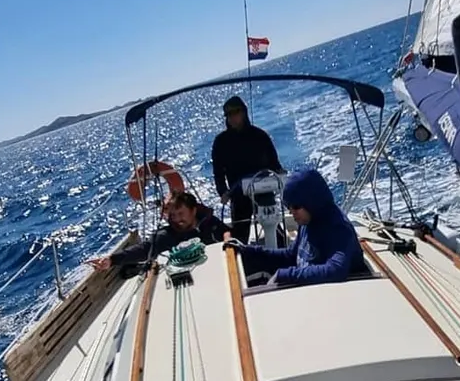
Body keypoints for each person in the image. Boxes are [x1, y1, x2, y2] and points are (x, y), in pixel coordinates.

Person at [226, 166, 365, 286]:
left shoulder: (339, 229)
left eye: (296, 207)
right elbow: (291, 256)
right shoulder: (307, 221)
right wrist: (249, 251)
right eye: (288, 207)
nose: (291, 212)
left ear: (312, 203)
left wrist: (285, 275)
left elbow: (336, 270)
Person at [89, 191, 228, 275]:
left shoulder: (210, 222)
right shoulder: (166, 236)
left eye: (181, 214)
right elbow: (144, 249)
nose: (177, 219)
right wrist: (112, 260)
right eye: (173, 215)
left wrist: (229, 242)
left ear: (193, 211)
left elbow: (227, 233)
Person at [211, 95, 283, 243]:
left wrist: (281, 174)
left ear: (244, 112)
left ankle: (284, 254)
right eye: (229, 115)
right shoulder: (221, 142)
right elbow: (218, 172)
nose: (232, 117)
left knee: (278, 235)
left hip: (263, 191)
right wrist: (223, 191)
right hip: (238, 194)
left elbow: (274, 164)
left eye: (236, 113)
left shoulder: (260, 135)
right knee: (240, 237)